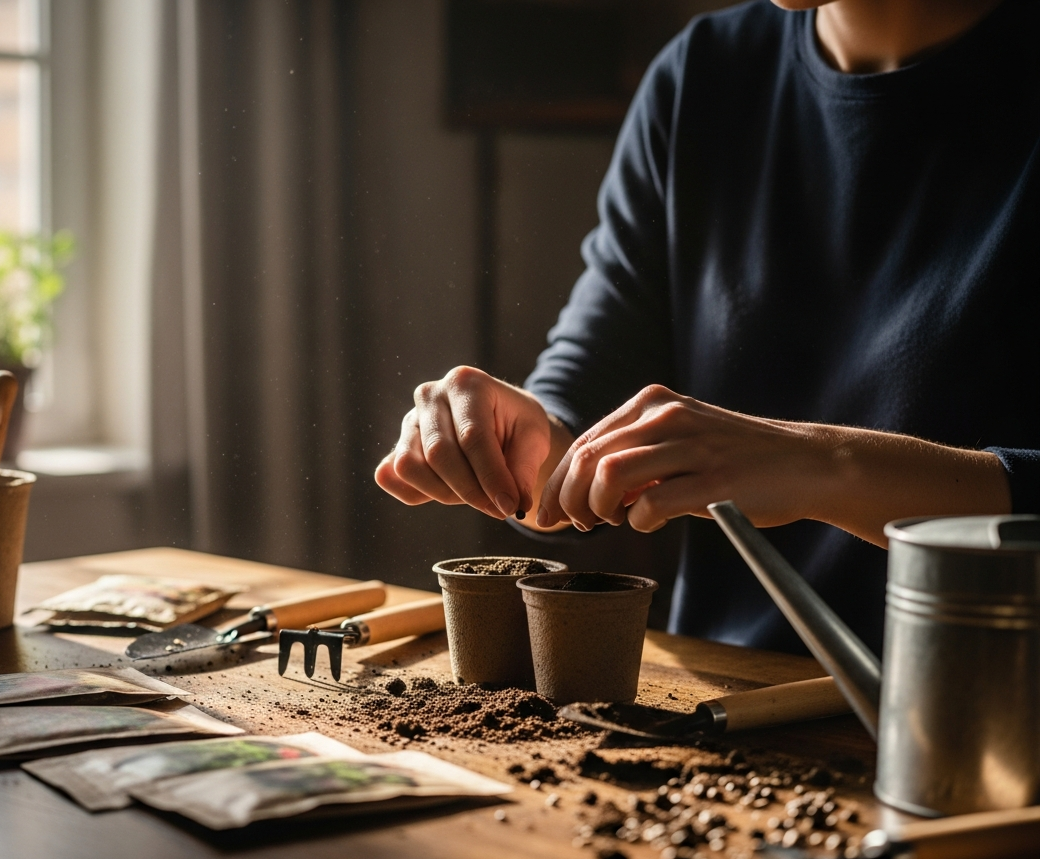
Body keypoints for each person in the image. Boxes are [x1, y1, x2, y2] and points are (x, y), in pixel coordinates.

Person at [375, 0, 1039, 656]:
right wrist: (525, 445)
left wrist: (824, 466)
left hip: (981, 718)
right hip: (727, 710)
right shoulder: (704, 73)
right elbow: (585, 403)